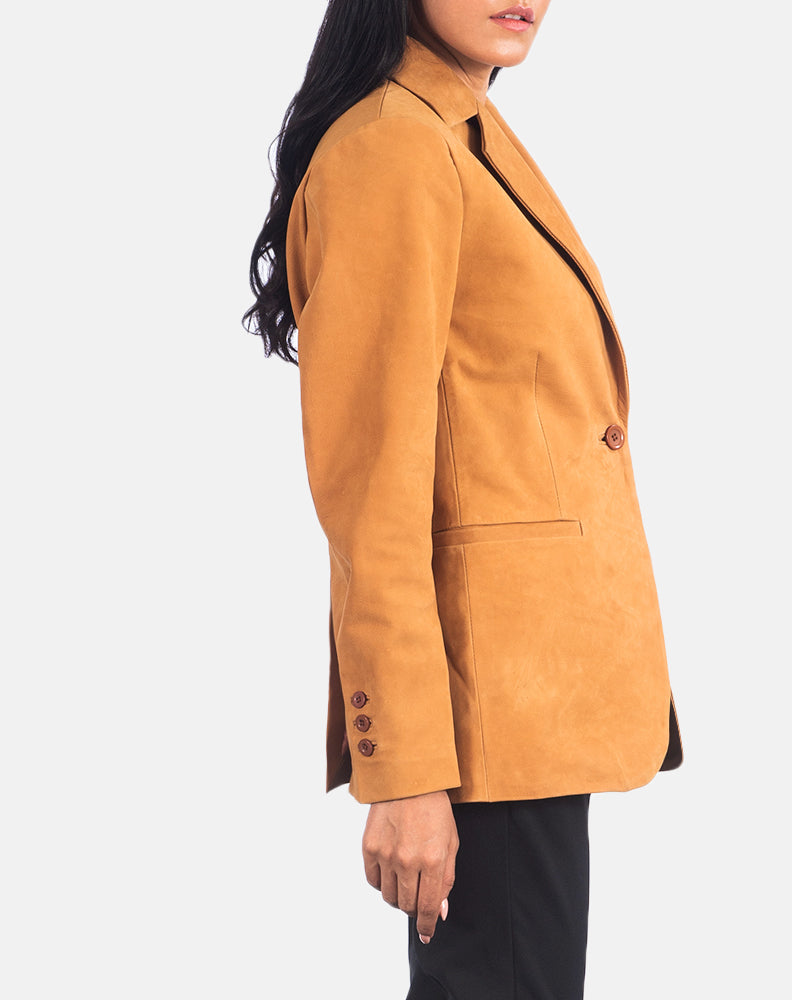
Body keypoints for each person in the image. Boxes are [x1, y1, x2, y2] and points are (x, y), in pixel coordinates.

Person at [244, 1, 683, 996]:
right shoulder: (392, 147)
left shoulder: (457, 129)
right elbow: (373, 498)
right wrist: (404, 770)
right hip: (478, 716)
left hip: (525, 704)